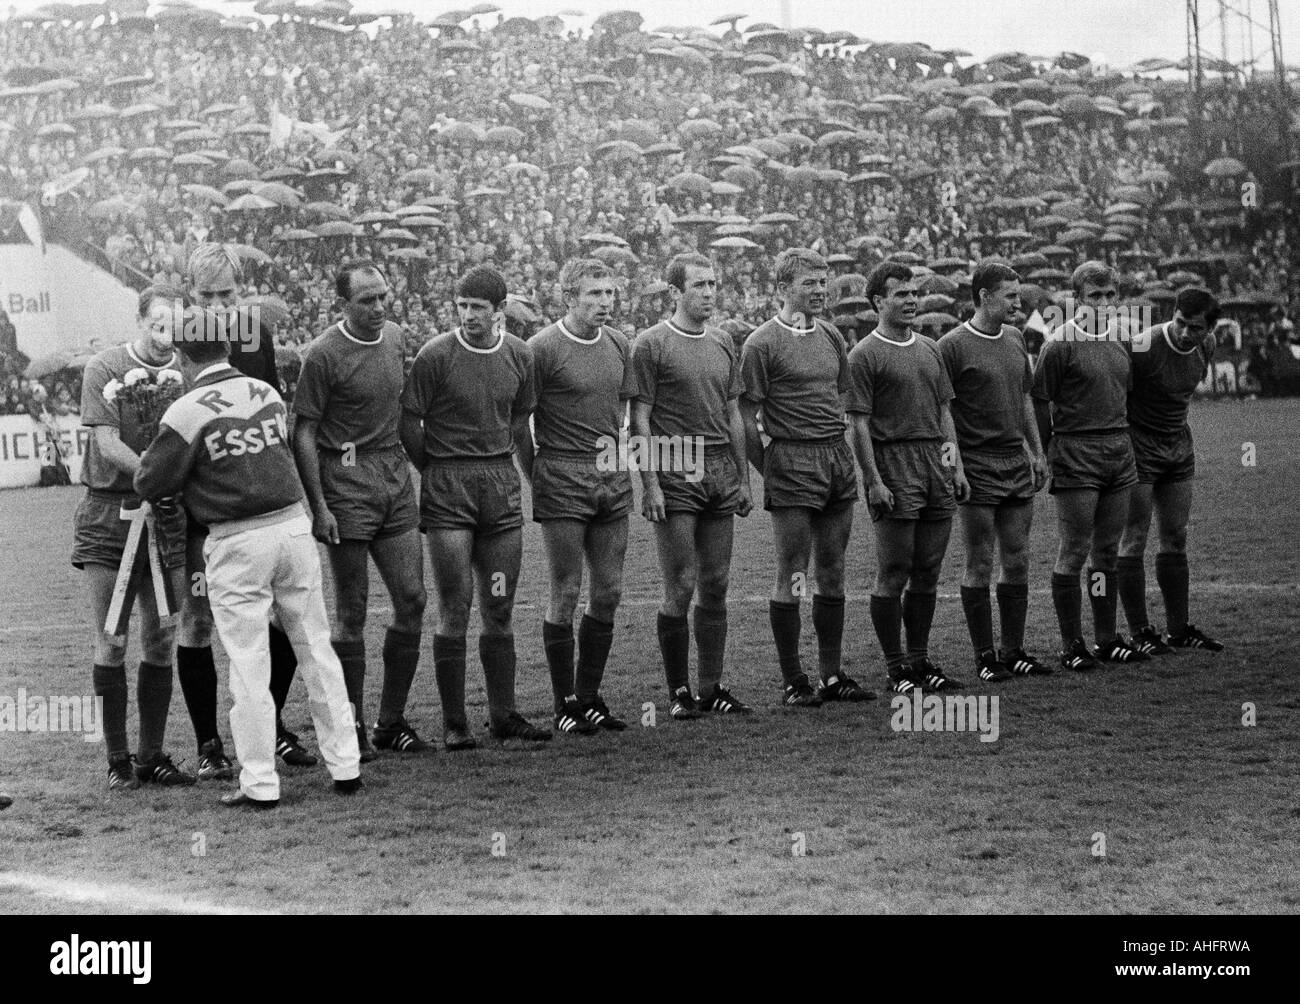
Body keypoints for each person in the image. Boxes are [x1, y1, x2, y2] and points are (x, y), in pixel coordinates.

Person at [135, 314, 362, 809]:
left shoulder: (187, 408)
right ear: (226, 349)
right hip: (293, 527)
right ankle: (346, 765)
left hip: (237, 538)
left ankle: (259, 782)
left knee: (248, 661)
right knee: (317, 649)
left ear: (182, 356)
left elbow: (150, 481)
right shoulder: (264, 391)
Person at [399, 265, 550, 748]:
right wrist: (438, 469)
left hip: (500, 488)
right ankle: (455, 721)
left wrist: (514, 471)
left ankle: (504, 715)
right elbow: (410, 424)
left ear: (500, 310)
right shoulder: (435, 355)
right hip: (449, 487)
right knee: (455, 604)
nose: (468, 316)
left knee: (499, 604)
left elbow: (520, 418)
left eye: (478, 308)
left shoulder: (521, 356)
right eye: (462, 307)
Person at [177, 243, 310, 780]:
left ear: (242, 291)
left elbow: (269, 414)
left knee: (282, 613)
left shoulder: (256, 337)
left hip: (252, 505)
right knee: (197, 617)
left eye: (226, 294)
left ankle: (270, 727)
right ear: (190, 295)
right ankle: (209, 744)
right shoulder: (176, 340)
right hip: (195, 503)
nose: (216, 304)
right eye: (206, 295)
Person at [292, 260, 429, 756]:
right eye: (366, 300)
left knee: (412, 600)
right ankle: (348, 728)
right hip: (345, 483)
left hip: (393, 479)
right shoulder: (324, 355)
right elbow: (303, 431)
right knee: (351, 611)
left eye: (383, 297)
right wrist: (319, 505)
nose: (378, 308)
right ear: (342, 304)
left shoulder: (394, 337)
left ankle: (390, 722)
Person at [739, 248, 873, 708]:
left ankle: (832, 675)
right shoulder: (761, 342)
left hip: (834, 456)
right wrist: (771, 467)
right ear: (783, 289)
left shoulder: (834, 335)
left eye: (823, 281)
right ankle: (794, 679)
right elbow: (746, 416)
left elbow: (842, 399)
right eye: (809, 283)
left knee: (833, 570)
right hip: (791, 460)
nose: (820, 291)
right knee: (793, 573)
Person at [72, 286, 193, 791]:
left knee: (162, 636)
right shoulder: (103, 368)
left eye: (176, 325)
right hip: (111, 513)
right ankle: (117, 758)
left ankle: (152, 756)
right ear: (139, 320)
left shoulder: (187, 373)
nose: (166, 335)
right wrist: (157, 473)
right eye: (158, 323)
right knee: (111, 638)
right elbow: (105, 441)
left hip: (166, 515)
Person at [631, 253, 755, 719]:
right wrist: (650, 484)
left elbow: (733, 415)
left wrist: (743, 478)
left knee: (717, 582)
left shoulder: (725, 342)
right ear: (675, 292)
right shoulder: (651, 344)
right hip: (674, 467)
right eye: (699, 285)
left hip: (720, 468)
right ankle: (678, 691)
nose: (709, 292)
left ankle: (712, 687)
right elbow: (638, 417)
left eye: (713, 284)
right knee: (680, 583)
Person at [520, 259, 633, 734]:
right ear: (568, 297)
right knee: (565, 589)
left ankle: (590, 698)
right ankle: (564, 702)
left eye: (609, 293)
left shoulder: (620, 343)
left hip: (610, 472)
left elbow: (622, 413)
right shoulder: (540, 349)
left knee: (608, 590)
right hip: (561, 473)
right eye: (593, 294)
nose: (604, 302)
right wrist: (539, 477)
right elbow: (519, 426)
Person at [848, 261, 966, 695]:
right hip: (893, 463)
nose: (911, 300)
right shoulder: (863, 355)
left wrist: (955, 465)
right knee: (894, 569)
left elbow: (944, 412)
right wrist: (873, 481)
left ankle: (921, 660)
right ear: (879, 301)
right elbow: (858, 424)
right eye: (901, 294)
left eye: (914, 293)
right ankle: (896, 667)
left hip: (934, 461)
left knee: (929, 569)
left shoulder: (931, 348)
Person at [1032, 261, 1149, 671]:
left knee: (1106, 552)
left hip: (1118, 450)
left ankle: (1105, 638)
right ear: (1077, 300)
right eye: (1093, 296)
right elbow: (1040, 401)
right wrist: (1047, 452)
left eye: (1109, 295)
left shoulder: (1123, 339)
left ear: (1118, 298)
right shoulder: (1059, 344)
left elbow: (1125, 395)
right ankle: (1071, 644)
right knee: (1075, 549)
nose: (1102, 303)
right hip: (1076, 452)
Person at [938, 261, 1052, 680]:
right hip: (977, 466)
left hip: (1015, 462)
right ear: (984, 296)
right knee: (980, 562)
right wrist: (956, 468)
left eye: (1019, 296)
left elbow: (1024, 399)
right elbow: (942, 412)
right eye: (1009, 296)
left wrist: (1037, 450)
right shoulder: (952, 345)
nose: (1017, 304)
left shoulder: (1016, 338)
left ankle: (1014, 650)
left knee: (1018, 559)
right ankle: (985, 657)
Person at [1117, 287, 1225, 653]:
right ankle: (1140, 631)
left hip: (1178, 445)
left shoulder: (1206, 346)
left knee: (1176, 536)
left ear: (1209, 329)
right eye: (1180, 322)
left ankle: (1179, 629)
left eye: (1194, 328)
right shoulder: (1144, 345)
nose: (1184, 333)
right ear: (1172, 315)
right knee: (1134, 535)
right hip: (1139, 446)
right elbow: (1117, 392)